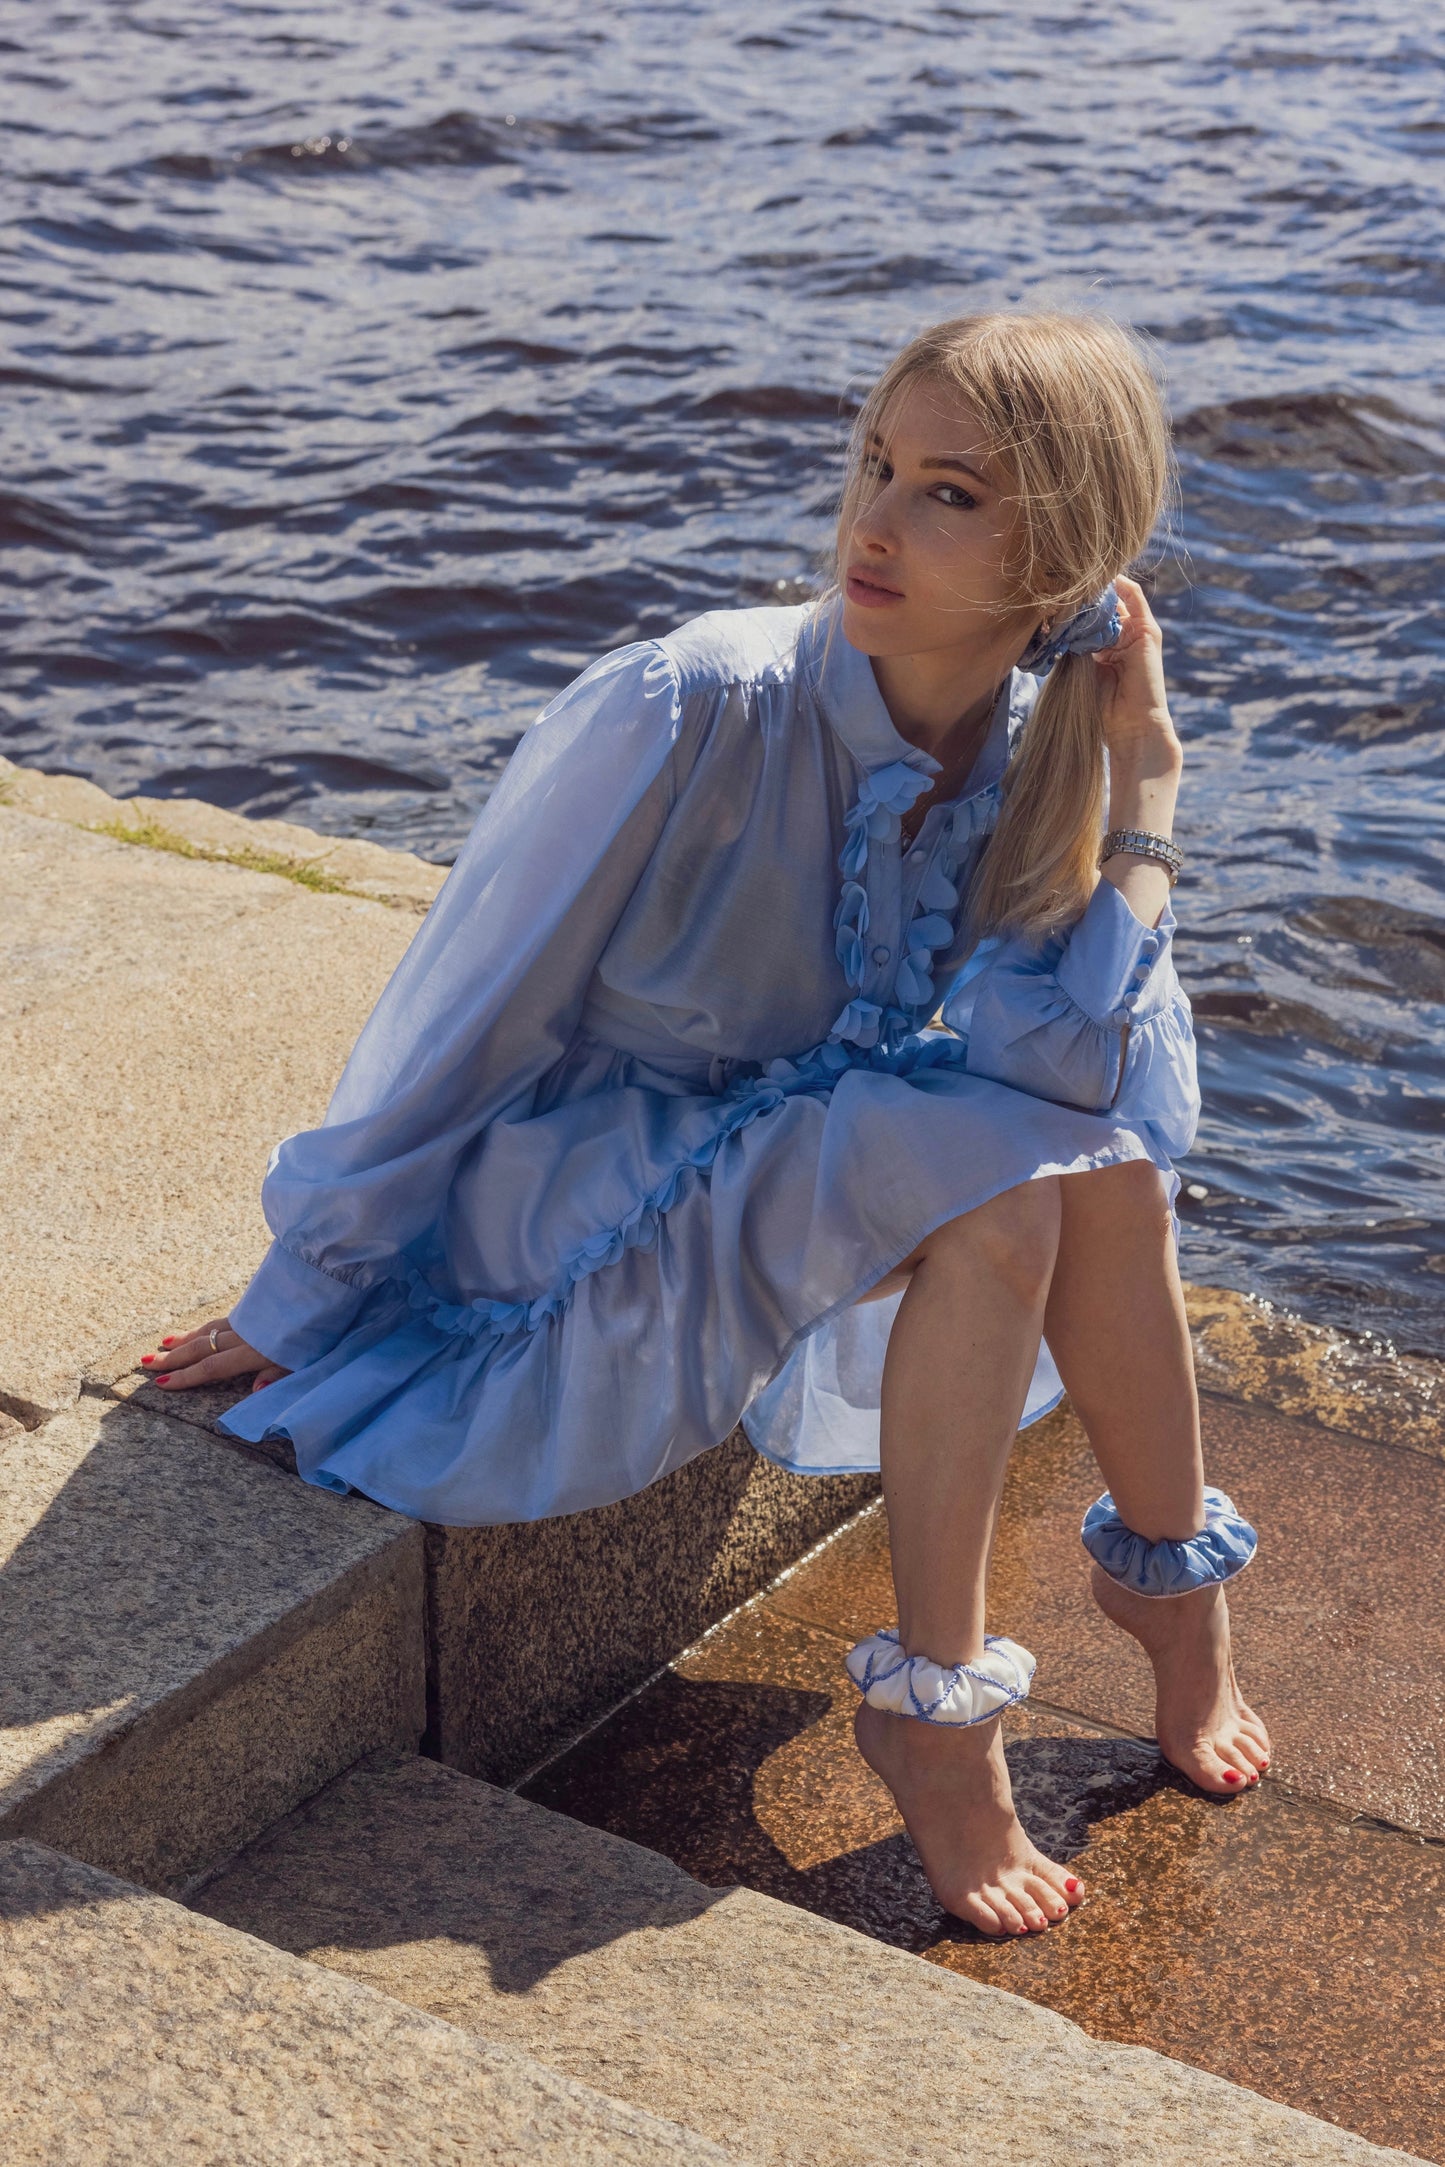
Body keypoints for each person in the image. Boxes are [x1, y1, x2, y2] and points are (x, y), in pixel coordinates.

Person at [144, 310, 1270, 1939]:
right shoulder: (688, 703)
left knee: (1088, 1180)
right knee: (1017, 1199)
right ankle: (941, 1716)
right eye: (877, 465)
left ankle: (1169, 1599)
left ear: (1062, 549)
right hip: (571, 1173)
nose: (871, 523)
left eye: (949, 494)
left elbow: (1080, 1072)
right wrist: (304, 1291)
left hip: (804, 1148)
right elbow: (472, 1016)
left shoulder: (1039, 751)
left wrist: (1142, 793)